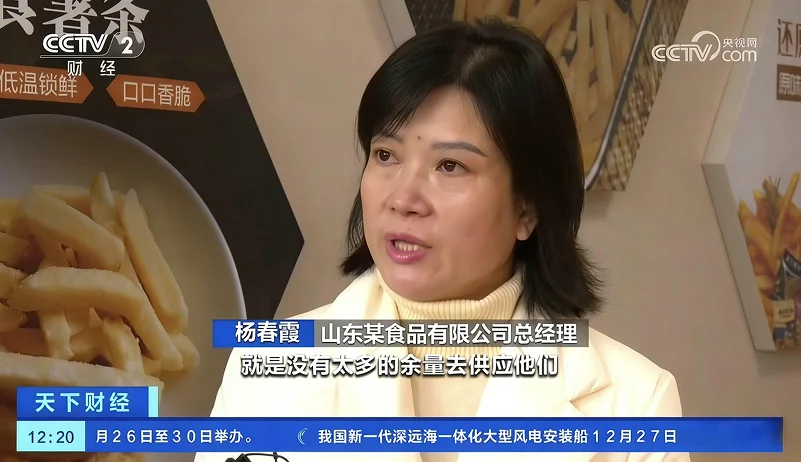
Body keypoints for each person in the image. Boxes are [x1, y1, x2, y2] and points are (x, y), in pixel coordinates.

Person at [197, 19, 688, 462]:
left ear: (527, 208)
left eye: (450, 165)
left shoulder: (636, 404)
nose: (403, 198)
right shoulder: (266, 369)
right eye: (386, 155)